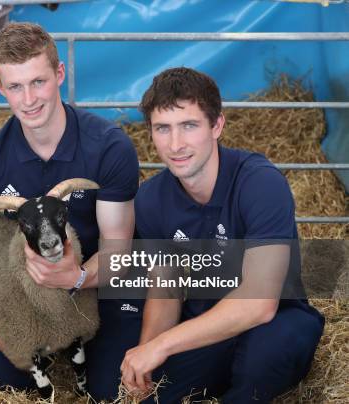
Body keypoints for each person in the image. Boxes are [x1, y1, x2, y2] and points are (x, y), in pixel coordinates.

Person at [0, 22, 141, 400]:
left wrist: (76, 277)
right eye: (15, 86)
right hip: (23, 299)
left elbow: (119, 249)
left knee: (110, 389)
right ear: (0, 88)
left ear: (59, 74)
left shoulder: (108, 148)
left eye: (38, 82)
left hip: (96, 288)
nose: (29, 99)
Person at [120, 67, 325, 403]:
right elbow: (166, 290)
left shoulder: (260, 183)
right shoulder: (151, 200)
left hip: (277, 319)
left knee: (257, 369)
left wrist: (163, 344)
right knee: (160, 392)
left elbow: (260, 304)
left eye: (189, 125)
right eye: (163, 128)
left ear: (216, 126)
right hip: (207, 322)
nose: (175, 144)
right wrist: (146, 357)